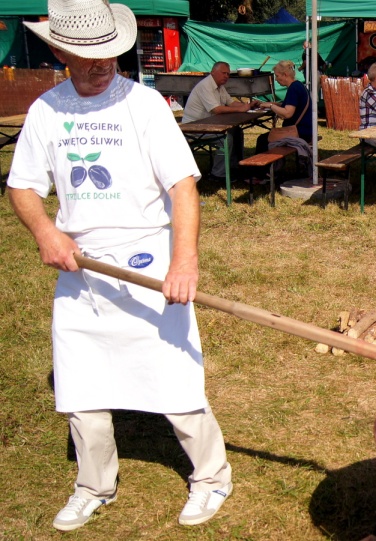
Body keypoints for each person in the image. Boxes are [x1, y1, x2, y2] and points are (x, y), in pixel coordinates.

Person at [7, 0, 232, 532]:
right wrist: (46, 231)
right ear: (60, 51)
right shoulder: (47, 111)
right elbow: (22, 186)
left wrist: (184, 260)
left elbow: (182, 186)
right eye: (88, 55)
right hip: (80, 267)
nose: (103, 63)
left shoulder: (145, 105)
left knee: (175, 377)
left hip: (147, 261)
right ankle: (94, 485)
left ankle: (212, 476)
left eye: (109, 52)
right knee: (81, 384)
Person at [181, 61, 250, 179]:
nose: (226, 76)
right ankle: (218, 174)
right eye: (223, 73)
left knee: (237, 131)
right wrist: (241, 109)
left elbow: (231, 102)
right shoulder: (205, 86)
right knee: (225, 139)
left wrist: (248, 106)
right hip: (194, 128)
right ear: (213, 72)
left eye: (228, 74)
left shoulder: (220, 86)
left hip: (208, 125)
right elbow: (216, 110)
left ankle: (234, 166)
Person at [251, 60, 311, 153]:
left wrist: (271, 106)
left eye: (277, 76)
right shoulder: (298, 85)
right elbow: (287, 105)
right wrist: (269, 104)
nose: (275, 79)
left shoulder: (293, 88)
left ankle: (260, 167)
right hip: (305, 130)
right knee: (263, 139)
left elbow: (287, 113)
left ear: (285, 75)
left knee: (262, 140)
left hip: (299, 132)